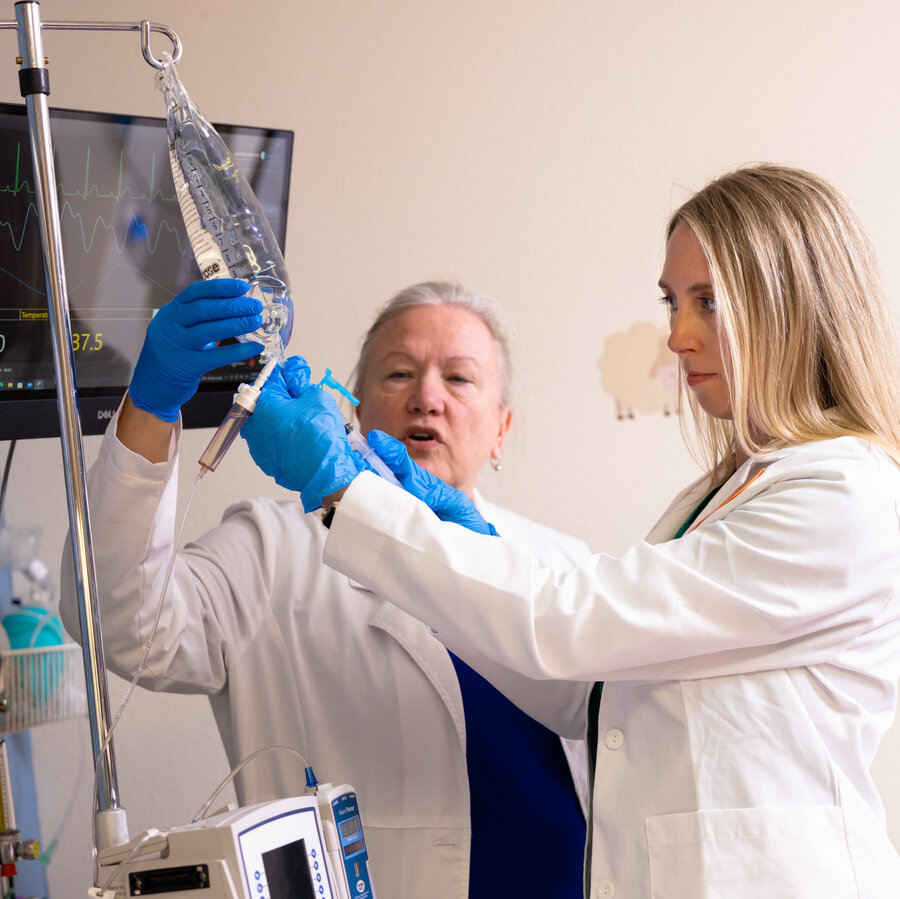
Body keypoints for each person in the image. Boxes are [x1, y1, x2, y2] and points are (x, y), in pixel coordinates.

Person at [242, 164, 900, 897]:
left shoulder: (843, 492)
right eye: (673, 301)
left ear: (791, 307)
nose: (678, 336)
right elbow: (593, 688)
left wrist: (345, 488)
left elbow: (571, 623)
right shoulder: (716, 495)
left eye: (708, 302)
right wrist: (470, 540)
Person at [59, 280, 592, 899]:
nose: (426, 397)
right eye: (398, 374)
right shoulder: (271, 549)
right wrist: (151, 408)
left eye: (459, 379)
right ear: (354, 411)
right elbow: (121, 621)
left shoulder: (563, 569)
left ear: (502, 429)